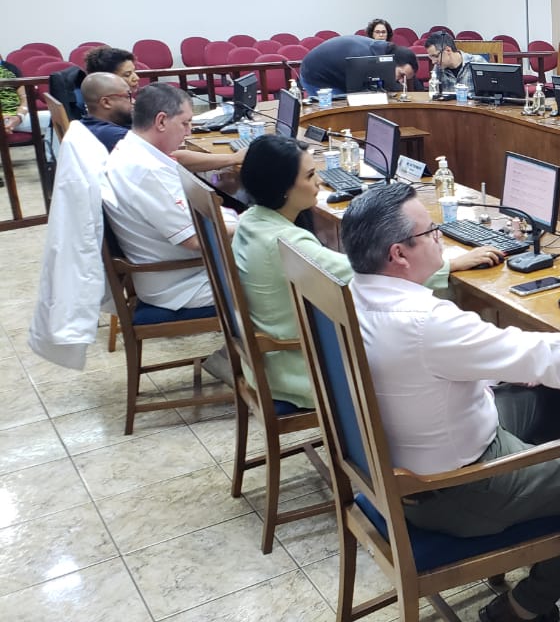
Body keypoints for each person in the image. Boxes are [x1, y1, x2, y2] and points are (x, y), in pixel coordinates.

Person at [341, 184, 560, 622]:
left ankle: (549, 492)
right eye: (431, 231)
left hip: (407, 464)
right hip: (459, 491)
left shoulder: (352, 293)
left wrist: (505, 364)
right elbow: (541, 354)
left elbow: (432, 369)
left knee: (547, 400)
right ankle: (525, 606)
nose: (439, 237)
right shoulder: (424, 323)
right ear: (399, 254)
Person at [232, 135, 503, 409]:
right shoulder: (284, 242)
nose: (318, 182)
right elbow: (370, 276)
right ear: (282, 188)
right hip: (303, 372)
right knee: (416, 348)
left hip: (272, 365)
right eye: (310, 175)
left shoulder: (252, 220)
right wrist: (449, 264)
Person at [102, 84, 234, 311]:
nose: (189, 132)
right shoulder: (148, 171)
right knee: (284, 276)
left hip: (178, 270)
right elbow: (195, 240)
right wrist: (246, 223)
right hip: (185, 282)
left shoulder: (130, 148)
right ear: (161, 121)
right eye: (185, 123)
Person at [298, 35, 418, 96]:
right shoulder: (365, 59)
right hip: (316, 75)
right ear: (392, 61)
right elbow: (357, 95)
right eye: (401, 75)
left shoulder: (383, 51)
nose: (401, 81)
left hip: (339, 73)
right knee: (339, 113)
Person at [0, 54, 57, 156]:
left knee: (56, 117)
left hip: (16, 116)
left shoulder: (10, 69)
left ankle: (51, 160)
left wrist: (19, 117)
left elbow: (24, 98)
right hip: (3, 117)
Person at [77, 72, 134, 151]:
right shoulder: (118, 136)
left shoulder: (82, 127)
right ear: (106, 102)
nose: (133, 101)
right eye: (128, 96)